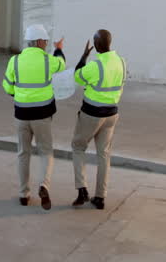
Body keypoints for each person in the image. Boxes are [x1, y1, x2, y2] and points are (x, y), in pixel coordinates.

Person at [1, 24, 65, 210]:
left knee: (23, 153)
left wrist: (18, 95)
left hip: (22, 113)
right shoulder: (47, 60)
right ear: (38, 42)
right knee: (46, 151)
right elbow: (61, 64)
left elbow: (7, 86)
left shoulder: (14, 61)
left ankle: (23, 194)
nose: (46, 44)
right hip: (42, 115)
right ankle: (44, 185)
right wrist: (59, 49)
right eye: (45, 41)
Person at [71, 29, 126, 210]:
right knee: (103, 154)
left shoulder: (95, 66)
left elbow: (77, 76)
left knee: (78, 147)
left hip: (91, 114)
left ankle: (82, 190)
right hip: (111, 114)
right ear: (110, 42)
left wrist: (84, 57)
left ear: (95, 45)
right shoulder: (121, 62)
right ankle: (100, 197)